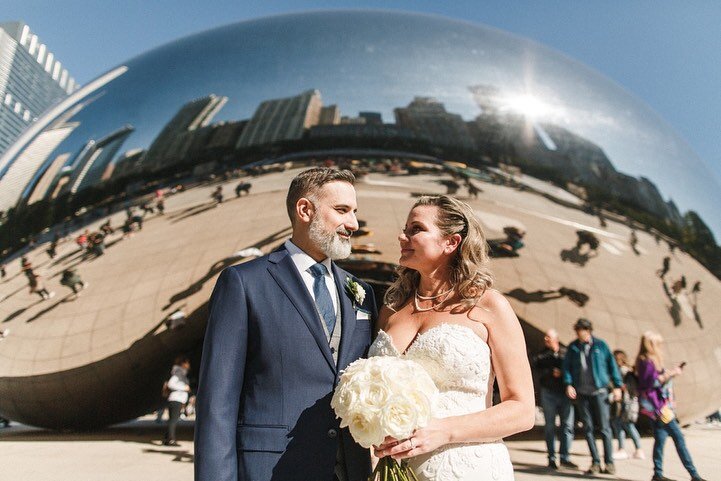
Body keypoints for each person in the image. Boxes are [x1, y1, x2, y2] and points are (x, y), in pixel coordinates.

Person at [195, 168, 377, 481]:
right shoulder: (244, 283)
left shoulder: (361, 293)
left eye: (354, 212)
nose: (353, 224)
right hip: (271, 470)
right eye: (342, 210)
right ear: (305, 210)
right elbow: (217, 402)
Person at [372, 195, 535, 481]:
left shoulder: (488, 306)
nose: (402, 236)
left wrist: (445, 430)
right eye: (405, 228)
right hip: (395, 471)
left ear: (451, 242)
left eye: (416, 229)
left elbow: (522, 410)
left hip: (467, 467)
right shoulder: (391, 310)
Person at [636, 331, 707, 481]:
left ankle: (658, 473)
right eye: (658, 344)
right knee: (679, 439)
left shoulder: (646, 361)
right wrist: (668, 375)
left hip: (657, 408)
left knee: (660, 440)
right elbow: (650, 385)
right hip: (660, 408)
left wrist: (670, 373)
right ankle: (694, 475)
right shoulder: (647, 362)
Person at [562, 318, 622, 475]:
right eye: (577, 331)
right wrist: (568, 384)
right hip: (582, 393)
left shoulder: (600, 346)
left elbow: (612, 365)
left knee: (605, 428)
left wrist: (617, 386)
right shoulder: (573, 347)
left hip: (600, 392)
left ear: (587, 330)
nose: (578, 333)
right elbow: (566, 367)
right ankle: (595, 461)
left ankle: (609, 463)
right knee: (588, 429)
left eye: (580, 330)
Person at [532, 329, 577, 470]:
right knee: (550, 426)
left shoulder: (566, 353)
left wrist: (563, 374)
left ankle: (565, 456)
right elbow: (536, 369)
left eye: (549, 337)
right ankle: (552, 457)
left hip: (564, 393)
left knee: (567, 426)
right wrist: (549, 372)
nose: (546, 339)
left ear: (556, 339)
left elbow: (573, 369)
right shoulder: (541, 355)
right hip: (548, 393)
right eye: (545, 337)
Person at [610, 350, 644, 460]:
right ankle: (629, 449)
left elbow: (626, 388)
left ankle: (631, 449)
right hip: (630, 402)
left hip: (627, 403)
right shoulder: (628, 371)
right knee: (621, 424)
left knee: (626, 425)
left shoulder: (623, 371)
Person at [164, 355, 192, 446]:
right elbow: (171, 384)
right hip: (176, 399)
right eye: (187, 362)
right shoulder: (178, 373)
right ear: (183, 363)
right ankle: (171, 440)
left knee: (172, 420)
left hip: (177, 399)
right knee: (173, 420)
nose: (188, 364)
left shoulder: (181, 373)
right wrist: (184, 388)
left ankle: (167, 438)